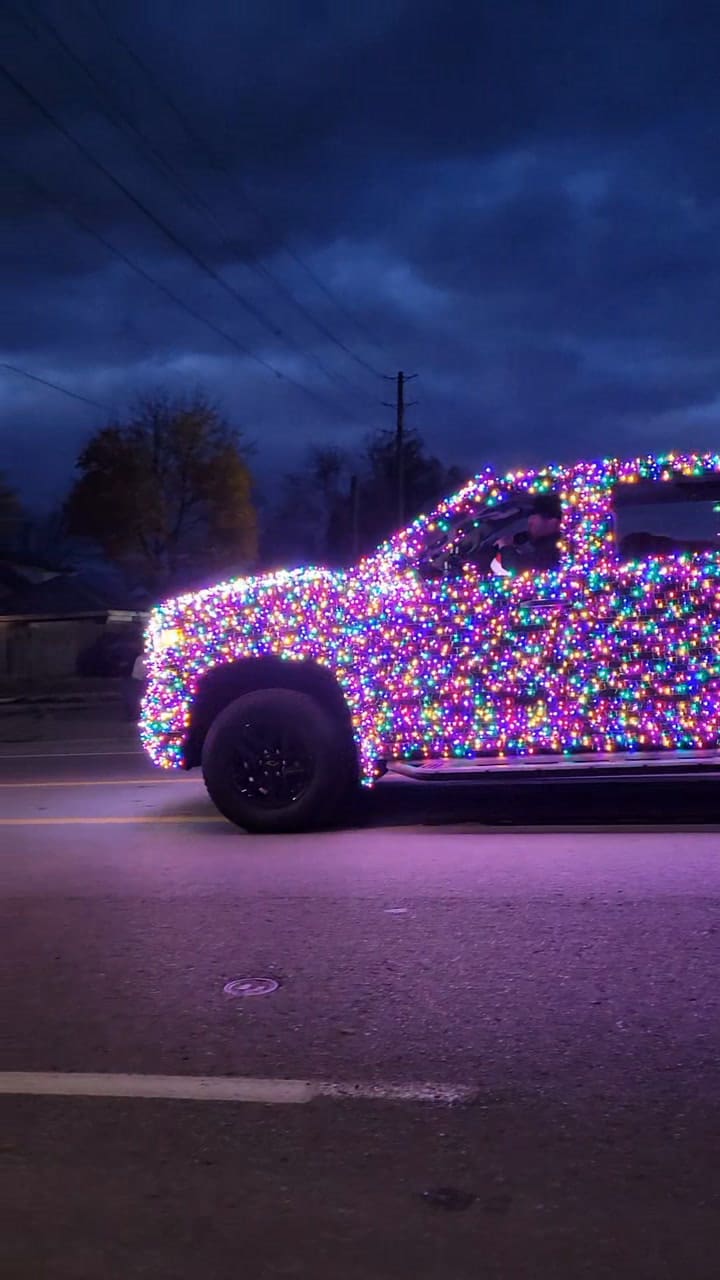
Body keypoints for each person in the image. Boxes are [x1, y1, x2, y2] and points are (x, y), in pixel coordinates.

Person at [491, 492, 562, 575]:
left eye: (538, 516)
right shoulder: (537, 539)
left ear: (554, 522)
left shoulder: (554, 550)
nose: (530, 521)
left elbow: (516, 566)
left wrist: (505, 546)